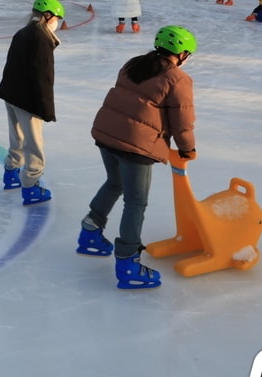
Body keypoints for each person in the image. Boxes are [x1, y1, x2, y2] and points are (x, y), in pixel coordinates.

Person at [77, 25, 197, 290]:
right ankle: (128, 263)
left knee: (114, 182)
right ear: (183, 54)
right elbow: (182, 122)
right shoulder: (178, 79)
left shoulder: (134, 64)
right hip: (135, 144)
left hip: (107, 133)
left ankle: (90, 233)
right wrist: (187, 148)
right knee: (135, 202)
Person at [0, 0, 65, 206]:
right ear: (48, 16)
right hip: (27, 98)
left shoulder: (23, 32)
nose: (57, 24)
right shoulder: (42, 39)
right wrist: (46, 109)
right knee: (34, 144)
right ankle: (31, 186)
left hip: (11, 93)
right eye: (57, 19)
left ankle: (11, 172)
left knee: (17, 137)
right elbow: (44, 78)